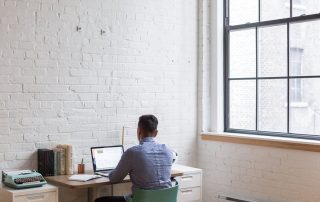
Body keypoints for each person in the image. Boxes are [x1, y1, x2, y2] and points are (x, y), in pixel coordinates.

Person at [95, 114, 173, 202]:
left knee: (100, 201)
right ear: (156, 133)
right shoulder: (168, 150)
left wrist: (112, 172)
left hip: (141, 200)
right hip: (165, 200)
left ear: (139, 131)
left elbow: (114, 179)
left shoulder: (133, 152)